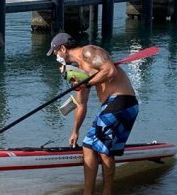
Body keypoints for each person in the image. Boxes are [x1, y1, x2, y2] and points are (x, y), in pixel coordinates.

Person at [47, 33, 139, 195]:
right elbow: (81, 104)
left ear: (63, 48)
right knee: (104, 150)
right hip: (124, 106)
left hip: (120, 101)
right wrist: (75, 130)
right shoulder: (81, 71)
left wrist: (86, 83)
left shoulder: (89, 52)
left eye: (56, 53)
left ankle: (91, 192)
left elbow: (110, 71)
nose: (57, 58)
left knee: (90, 146)